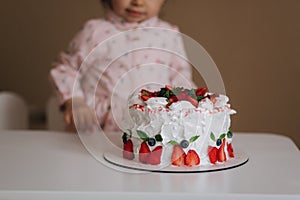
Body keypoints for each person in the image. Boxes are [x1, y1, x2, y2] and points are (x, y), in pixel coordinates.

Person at [50, 0, 194, 132]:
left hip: (151, 129)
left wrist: (189, 106)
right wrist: (75, 102)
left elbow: (180, 78)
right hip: (97, 129)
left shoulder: (168, 35)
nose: (137, 2)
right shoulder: (94, 31)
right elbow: (66, 69)